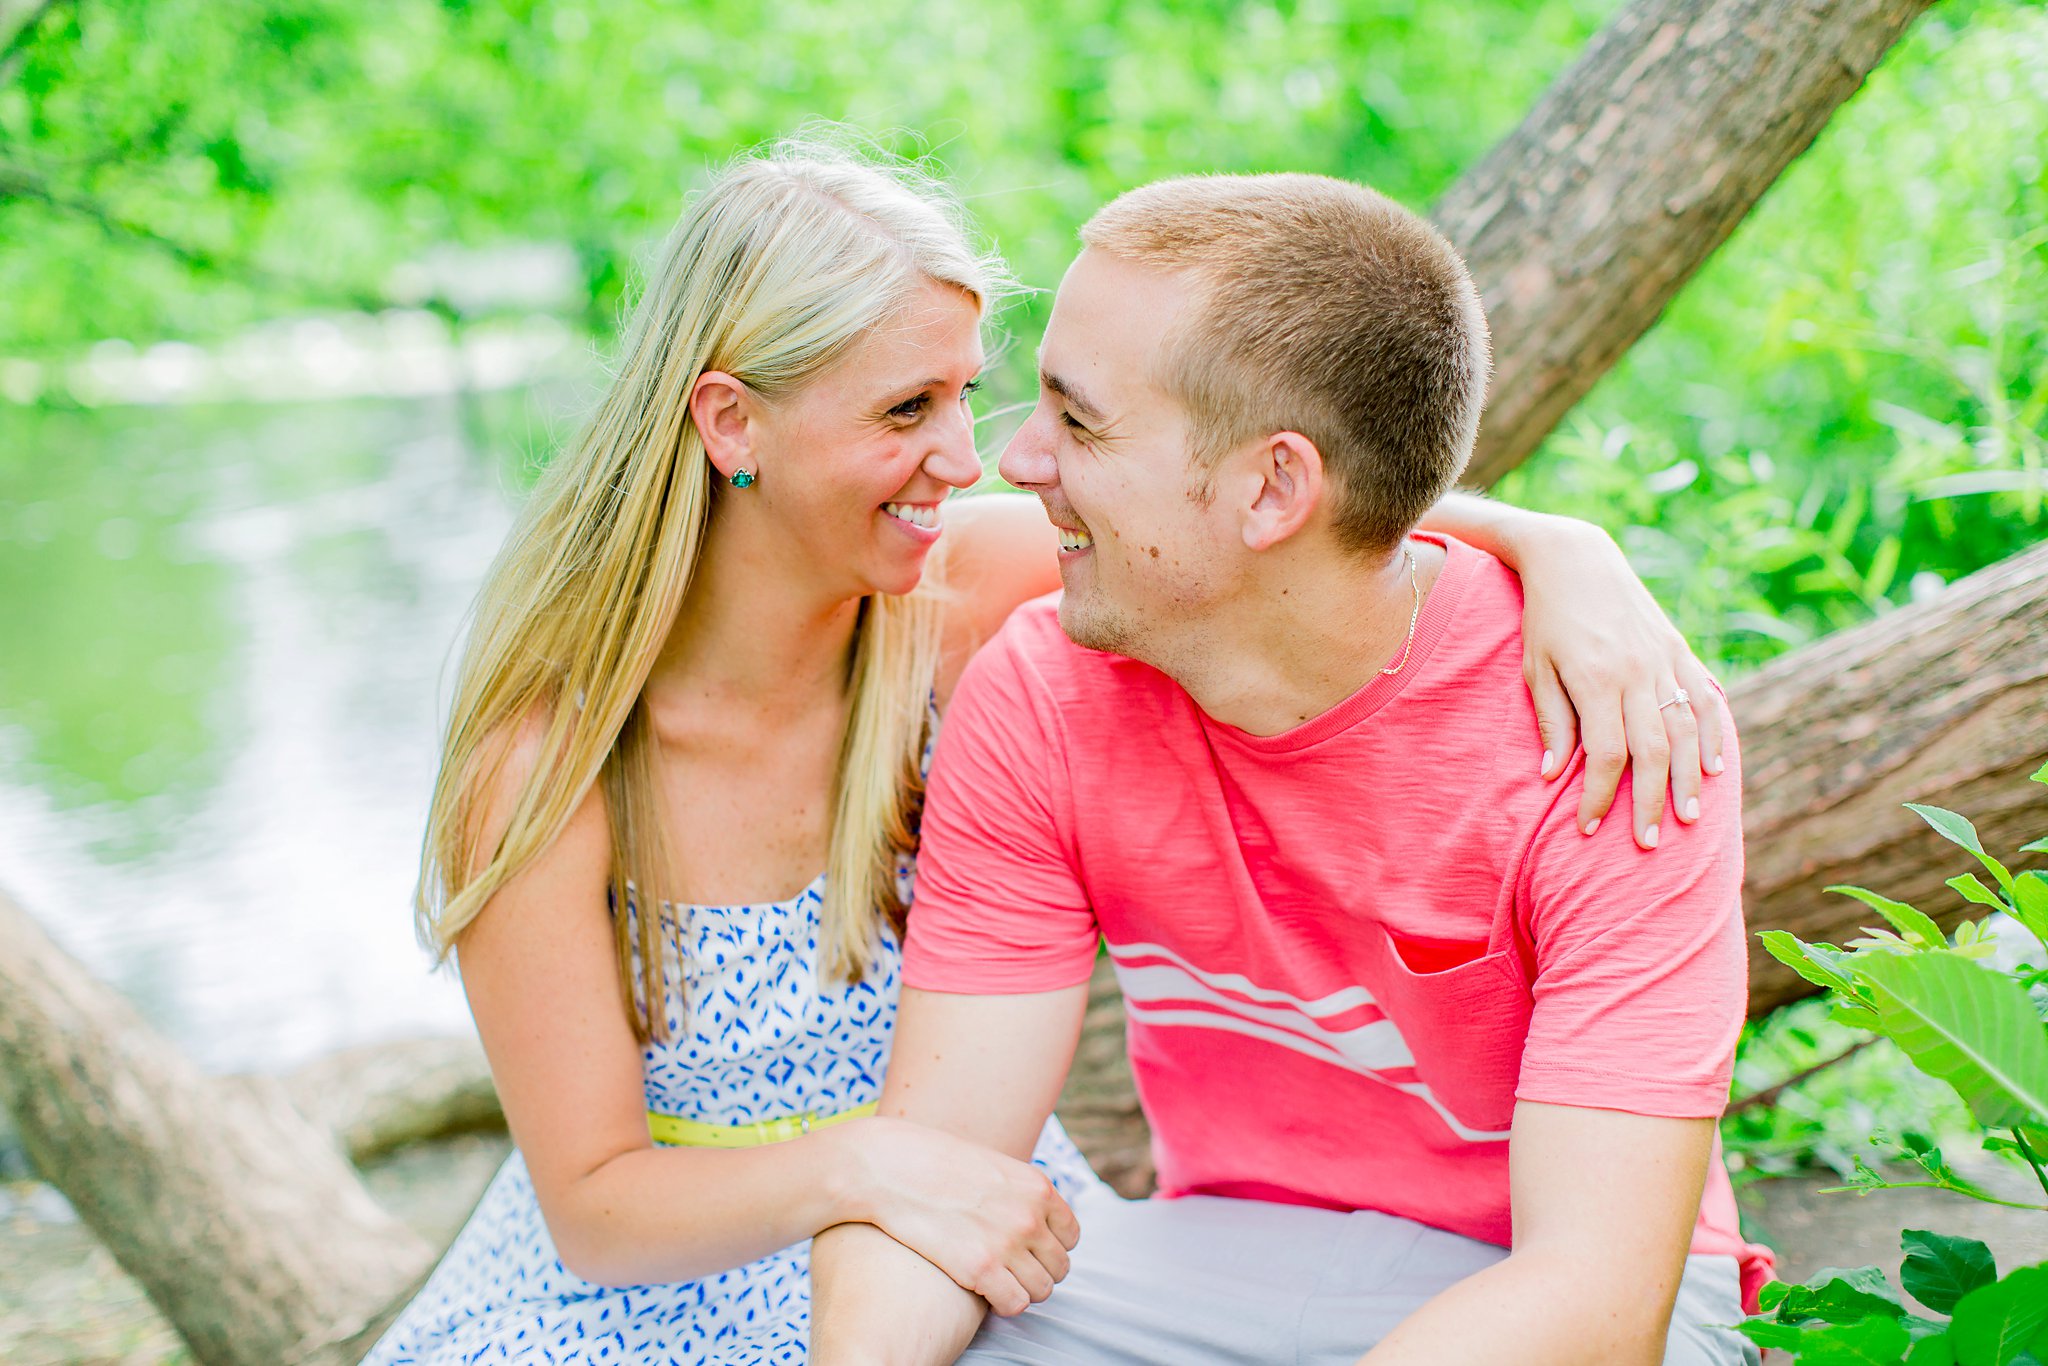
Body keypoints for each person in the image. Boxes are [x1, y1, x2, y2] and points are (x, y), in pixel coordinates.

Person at [365, 142, 1725, 1366]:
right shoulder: (551, 760)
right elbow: (598, 1201)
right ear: (733, 424)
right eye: (908, 411)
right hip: (717, 1252)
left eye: (979, 397)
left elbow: (1305, 526)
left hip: (956, 1203)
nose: (980, 459)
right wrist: (877, 1170)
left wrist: (1563, 548)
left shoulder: (957, 597)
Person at [809, 172, 1771, 1366]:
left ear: (1273, 489)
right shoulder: (1040, 690)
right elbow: (931, 1179)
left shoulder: (1608, 728)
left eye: (1079, 420)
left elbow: (1593, 1297)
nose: (1018, 459)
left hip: (1547, 1290)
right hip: (1226, 1262)